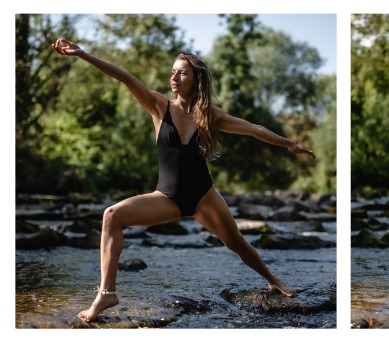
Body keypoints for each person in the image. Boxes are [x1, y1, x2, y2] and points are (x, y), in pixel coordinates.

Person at [51, 38, 317, 323]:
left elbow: (253, 129)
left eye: (182, 72)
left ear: (196, 78)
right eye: (172, 72)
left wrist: (289, 144)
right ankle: (106, 293)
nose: (174, 77)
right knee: (112, 215)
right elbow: (125, 77)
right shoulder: (158, 105)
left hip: (204, 195)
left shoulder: (210, 116)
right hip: (168, 197)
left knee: (237, 242)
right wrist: (83, 54)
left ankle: (273, 280)